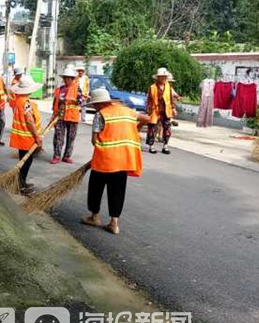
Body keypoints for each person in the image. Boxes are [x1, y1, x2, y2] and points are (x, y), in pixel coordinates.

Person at [81, 87, 150, 235]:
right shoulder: (127, 111)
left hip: (104, 160)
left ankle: (94, 217)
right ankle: (114, 223)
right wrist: (134, 130)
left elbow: (94, 140)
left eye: (94, 104)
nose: (93, 107)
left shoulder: (100, 115)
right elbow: (147, 119)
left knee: (96, 188)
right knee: (117, 191)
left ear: (99, 104)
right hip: (124, 159)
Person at [8, 75, 43, 195]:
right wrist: (37, 136)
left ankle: (20, 183)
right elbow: (29, 120)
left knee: (23, 160)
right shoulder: (26, 103)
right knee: (26, 162)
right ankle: (21, 185)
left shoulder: (18, 100)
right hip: (27, 137)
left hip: (19, 137)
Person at [51, 67, 82, 164]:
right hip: (60, 116)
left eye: (69, 78)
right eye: (65, 78)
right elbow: (55, 102)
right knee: (58, 136)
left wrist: (74, 100)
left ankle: (67, 156)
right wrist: (53, 114)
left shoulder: (77, 88)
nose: (66, 80)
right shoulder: (60, 89)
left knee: (71, 137)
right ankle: (56, 155)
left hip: (72, 117)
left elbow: (80, 101)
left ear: (73, 79)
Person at [146, 67, 177, 154]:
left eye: (165, 77)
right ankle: (151, 146)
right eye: (162, 76)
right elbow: (149, 100)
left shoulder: (168, 87)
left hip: (166, 111)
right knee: (152, 128)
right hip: (155, 110)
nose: (163, 78)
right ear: (158, 77)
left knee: (167, 129)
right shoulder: (152, 87)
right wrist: (148, 110)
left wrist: (173, 108)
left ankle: (165, 146)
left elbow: (171, 98)